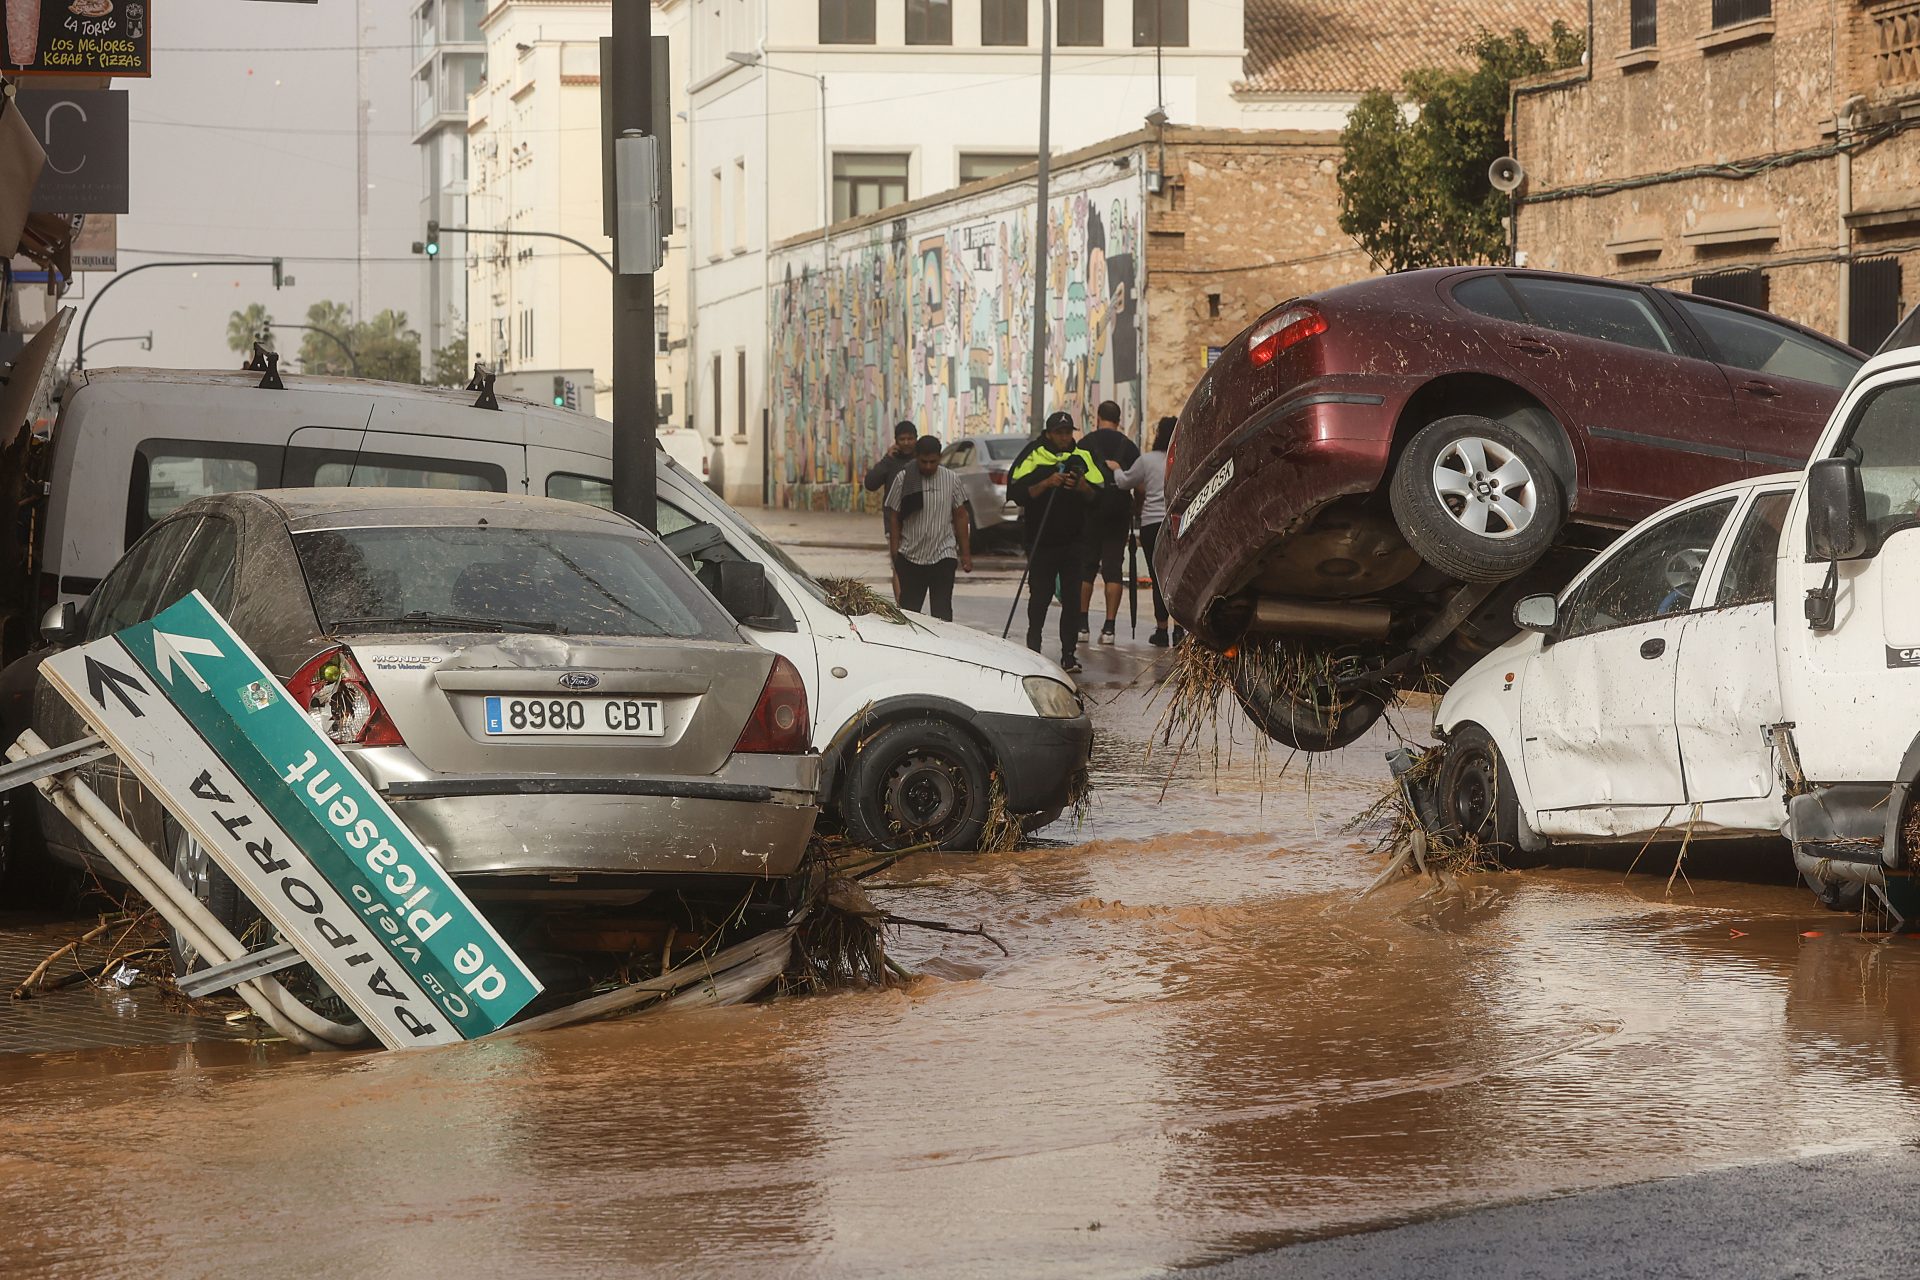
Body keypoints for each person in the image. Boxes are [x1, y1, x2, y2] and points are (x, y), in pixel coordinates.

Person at [1008, 411, 1106, 674]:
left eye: (1068, 432)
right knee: (1039, 597)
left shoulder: (1083, 456)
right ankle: (1033, 648)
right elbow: (1016, 492)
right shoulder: (1034, 454)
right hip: (1041, 540)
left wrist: (1082, 487)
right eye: (1059, 433)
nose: (1064, 438)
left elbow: (1101, 495)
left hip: (1075, 541)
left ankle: (1069, 654)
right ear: (1049, 433)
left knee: (1073, 600)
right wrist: (1046, 483)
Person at [885, 435, 972, 621]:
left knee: (942, 614)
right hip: (911, 556)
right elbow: (894, 515)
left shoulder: (951, 479)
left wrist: (965, 554)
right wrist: (894, 549)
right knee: (909, 613)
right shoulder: (904, 478)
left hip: (943, 554)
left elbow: (961, 515)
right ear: (916, 457)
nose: (928, 466)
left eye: (933, 462)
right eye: (923, 462)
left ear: (939, 458)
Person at [1076, 400, 1142, 646]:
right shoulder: (1129, 447)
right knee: (1113, 568)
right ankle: (1109, 628)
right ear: (1119, 419)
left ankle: (1082, 625)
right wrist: (1137, 507)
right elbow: (1140, 485)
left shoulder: (1084, 444)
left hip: (1088, 513)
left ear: (1097, 418)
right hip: (1118, 513)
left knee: (1087, 567)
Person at [1112, 416, 1174, 645]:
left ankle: (1161, 629)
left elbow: (1124, 482)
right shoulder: (1181, 459)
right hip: (1176, 524)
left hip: (1151, 524)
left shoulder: (1147, 461)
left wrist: (1117, 469)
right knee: (1175, 576)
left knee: (1158, 577)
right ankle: (1179, 630)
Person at [864, 420, 919, 597]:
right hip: (894, 524)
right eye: (902, 439)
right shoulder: (891, 462)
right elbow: (870, 483)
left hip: (920, 522)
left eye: (910, 438)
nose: (906, 442)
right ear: (896, 440)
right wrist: (886, 460)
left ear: (916, 439)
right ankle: (902, 607)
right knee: (898, 566)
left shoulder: (922, 460)